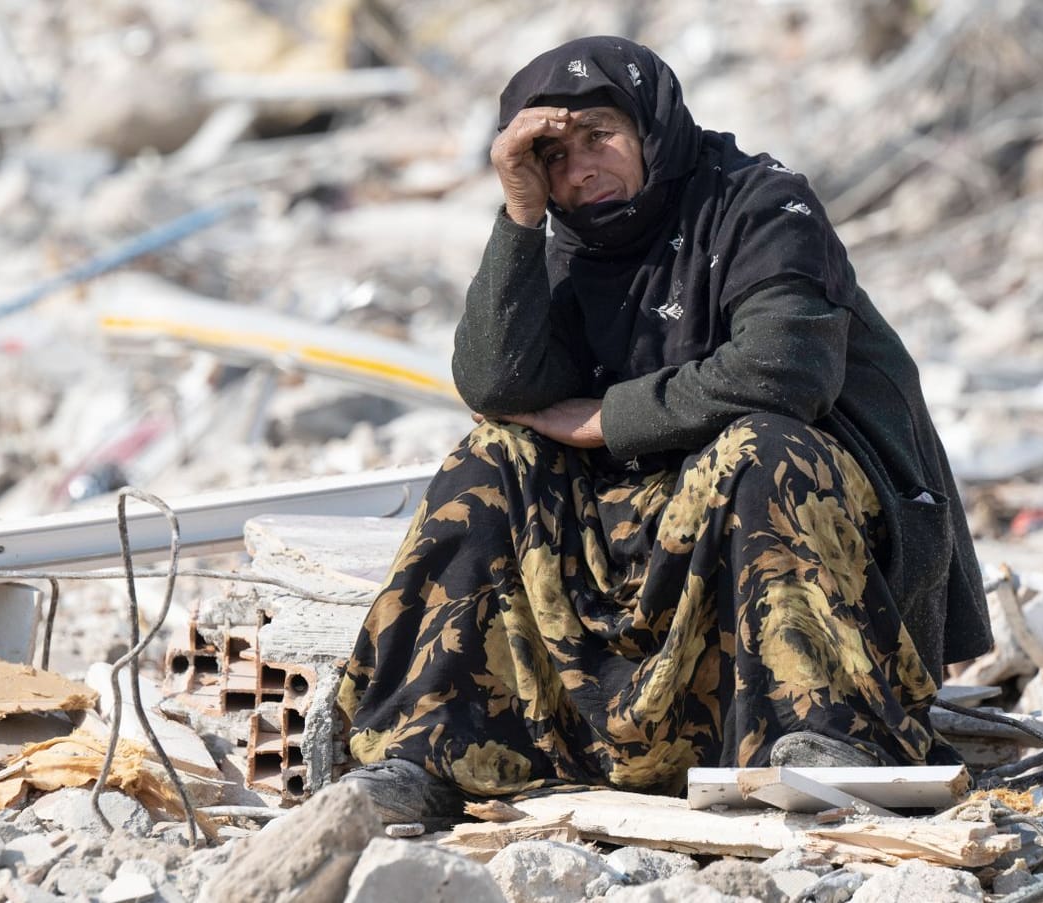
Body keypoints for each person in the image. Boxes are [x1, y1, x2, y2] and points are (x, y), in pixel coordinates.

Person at [335, 36, 993, 823]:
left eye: (599, 138)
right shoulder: (565, 245)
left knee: (759, 446)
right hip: (647, 531)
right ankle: (425, 746)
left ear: (651, 127)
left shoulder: (760, 203)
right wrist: (517, 216)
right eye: (552, 155)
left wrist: (609, 419)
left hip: (809, 529)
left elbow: (784, 371)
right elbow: (495, 387)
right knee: (491, 455)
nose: (580, 168)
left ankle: (824, 736)